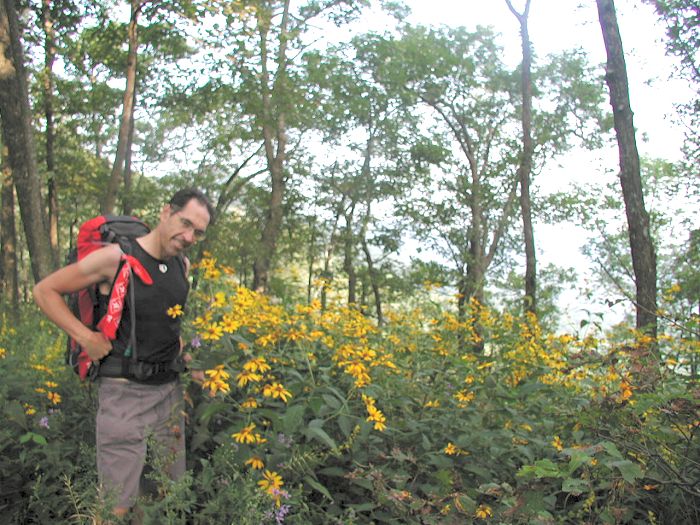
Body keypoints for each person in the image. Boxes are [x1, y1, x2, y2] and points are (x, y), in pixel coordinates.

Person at [33, 188, 214, 519]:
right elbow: (44, 291)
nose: (188, 236)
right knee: (115, 505)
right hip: (123, 396)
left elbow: (168, 327)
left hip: (168, 395)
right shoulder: (116, 258)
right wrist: (85, 336)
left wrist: (191, 362)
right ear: (166, 213)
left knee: (164, 494)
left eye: (197, 232)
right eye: (184, 223)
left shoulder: (181, 266)